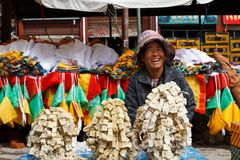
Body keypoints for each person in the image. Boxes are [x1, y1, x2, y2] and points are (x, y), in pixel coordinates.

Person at [125, 30, 196, 124]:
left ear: (164, 53)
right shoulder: (135, 80)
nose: (155, 54)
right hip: (145, 135)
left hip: (174, 136)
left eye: (158, 49)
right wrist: (145, 129)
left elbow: (190, 104)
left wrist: (178, 126)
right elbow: (130, 110)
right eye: (150, 50)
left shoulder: (176, 76)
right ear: (142, 56)